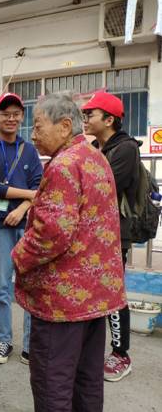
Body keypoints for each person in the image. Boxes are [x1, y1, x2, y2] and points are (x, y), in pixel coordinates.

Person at [12, 93, 126, 411]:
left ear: (64, 126)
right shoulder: (95, 157)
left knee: (53, 382)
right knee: (87, 380)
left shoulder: (63, 165)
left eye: (38, 126)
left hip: (63, 301)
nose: (32, 134)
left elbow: (52, 234)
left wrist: (18, 256)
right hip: (95, 294)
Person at [0, 92, 43, 365]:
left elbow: (39, 186)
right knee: (2, 286)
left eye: (16, 114)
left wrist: (22, 208)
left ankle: (30, 345)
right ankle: (4, 341)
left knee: (30, 286)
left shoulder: (29, 150)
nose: (11, 118)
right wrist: (28, 195)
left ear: (22, 117)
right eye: (5, 113)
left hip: (28, 226)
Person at [81, 91, 137, 382]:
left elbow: (103, 188)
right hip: (93, 231)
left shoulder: (125, 149)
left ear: (109, 119)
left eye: (90, 114)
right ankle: (95, 350)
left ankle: (121, 354)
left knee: (113, 294)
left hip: (115, 234)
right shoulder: (96, 148)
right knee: (94, 292)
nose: (85, 118)